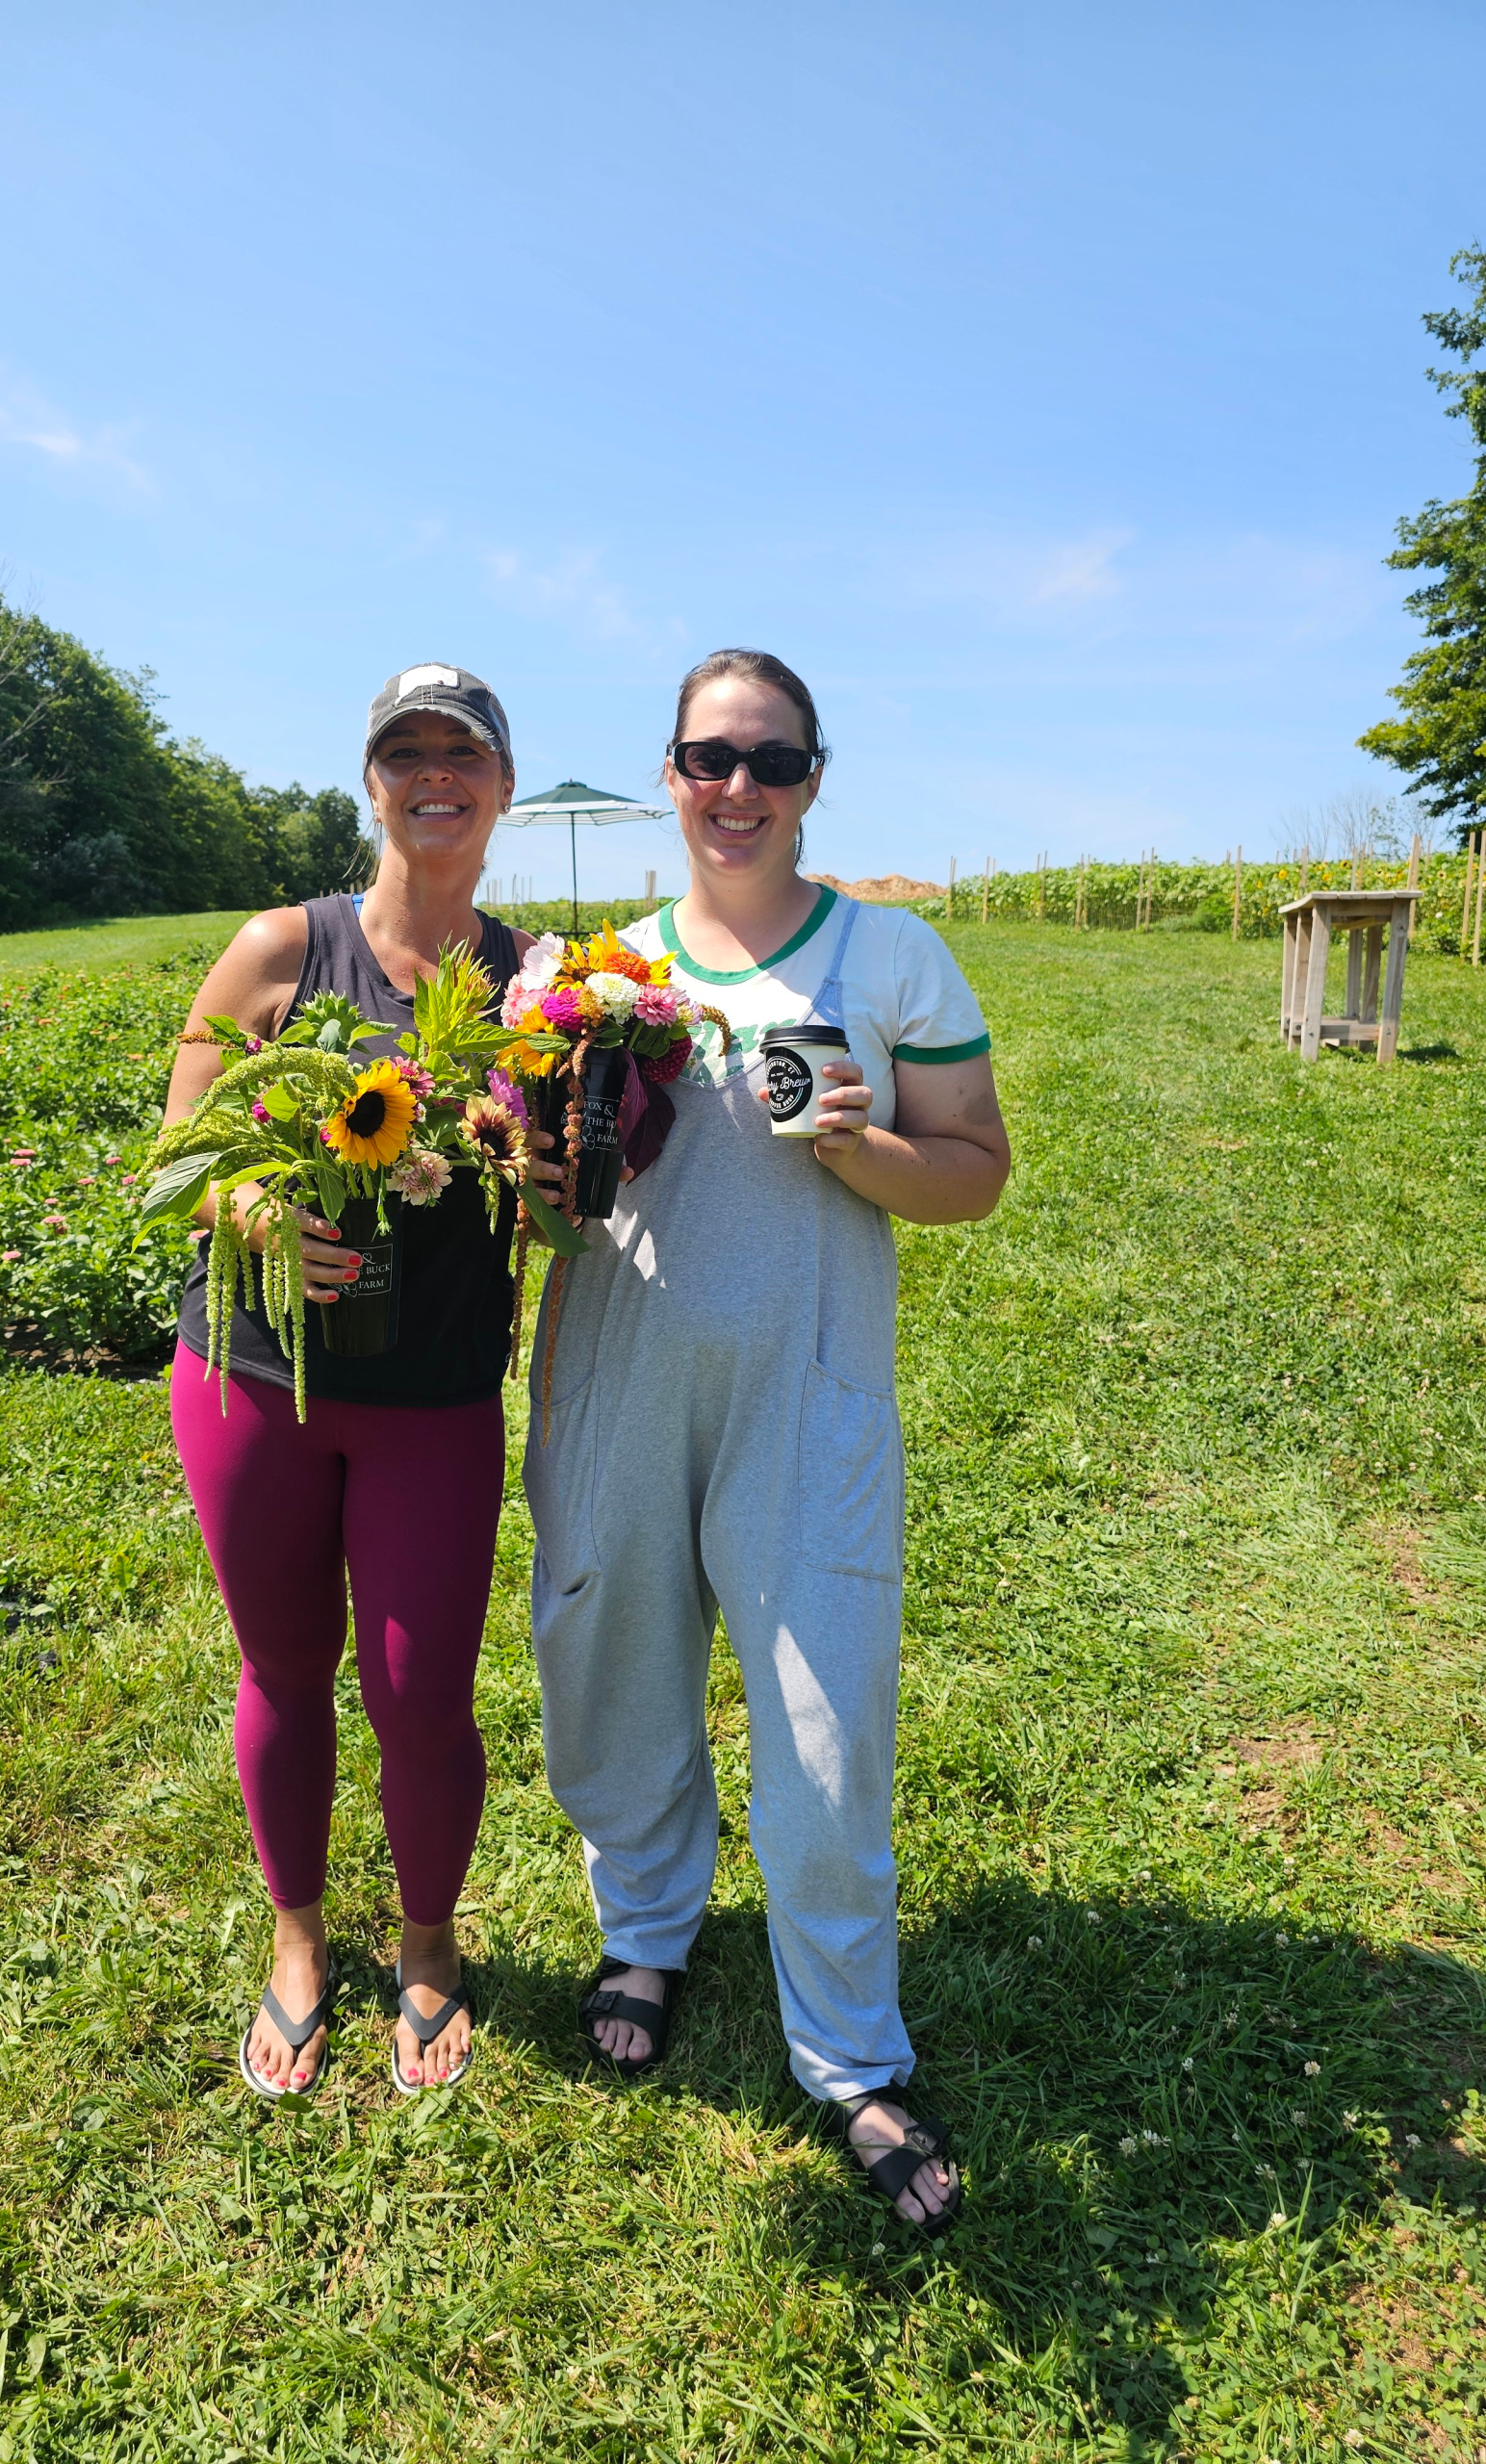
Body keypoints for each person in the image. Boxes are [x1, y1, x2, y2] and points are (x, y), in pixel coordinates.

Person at [523, 648, 1010, 2234]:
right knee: (612, 1662)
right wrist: (529, 1148)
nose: (737, 790)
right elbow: (544, 1197)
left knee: (823, 1725)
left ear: (816, 778)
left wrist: (863, 1140)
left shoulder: (891, 956)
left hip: (807, 1390)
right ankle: (647, 1926)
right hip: (614, 1373)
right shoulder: (591, 974)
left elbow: (976, 1171)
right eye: (707, 758)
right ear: (667, 775)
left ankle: (852, 2053)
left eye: (771, 761)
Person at [166, 663, 553, 2101]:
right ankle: (297, 1939)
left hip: (436, 1393)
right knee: (283, 1670)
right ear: (372, 779)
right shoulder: (280, 950)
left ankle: (432, 1943)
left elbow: (577, 1182)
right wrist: (259, 1215)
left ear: (503, 789)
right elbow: (177, 1158)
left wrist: (560, 1168)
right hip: (254, 1379)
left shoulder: (541, 985)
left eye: (464, 751)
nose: (434, 772)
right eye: (407, 750)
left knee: (421, 1692)